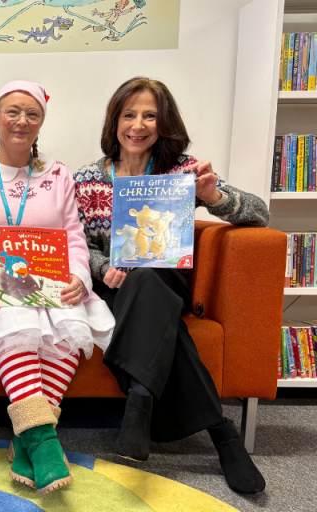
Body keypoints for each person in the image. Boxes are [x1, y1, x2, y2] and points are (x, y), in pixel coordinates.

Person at [73, 76, 269, 494]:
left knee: (149, 274)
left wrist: (214, 196)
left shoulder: (181, 170)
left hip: (168, 278)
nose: (138, 124)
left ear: (164, 123)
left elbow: (259, 214)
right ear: (115, 121)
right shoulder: (88, 178)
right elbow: (79, 243)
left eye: (150, 115)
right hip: (116, 286)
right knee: (144, 290)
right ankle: (222, 433)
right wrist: (104, 265)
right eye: (129, 114)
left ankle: (139, 404)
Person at [0, 81, 115, 495]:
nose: (22, 121)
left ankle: (27, 437)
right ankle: (43, 440)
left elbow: (73, 233)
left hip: (51, 278)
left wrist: (77, 275)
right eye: (12, 111)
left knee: (72, 323)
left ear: (41, 123)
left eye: (32, 114)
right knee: (17, 317)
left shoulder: (57, 175)